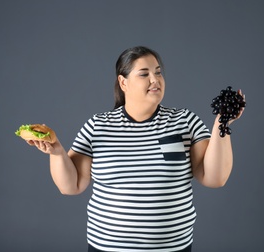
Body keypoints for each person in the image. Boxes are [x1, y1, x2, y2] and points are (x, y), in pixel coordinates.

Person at [26, 46, 245, 252]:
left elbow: (215, 178)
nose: (155, 79)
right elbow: (71, 185)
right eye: (144, 74)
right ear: (123, 82)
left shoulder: (185, 121)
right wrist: (56, 151)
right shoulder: (97, 126)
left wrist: (221, 124)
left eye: (158, 73)